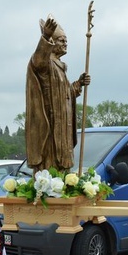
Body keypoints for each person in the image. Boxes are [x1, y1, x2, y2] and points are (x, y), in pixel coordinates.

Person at [26, 15, 91, 172]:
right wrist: (46, 36)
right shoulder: (46, 63)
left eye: (66, 40)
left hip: (64, 130)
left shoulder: (60, 67)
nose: (65, 43)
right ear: (52, 43)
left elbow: (64, 95)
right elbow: (38, 61)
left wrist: (78, 84)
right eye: (61, 40)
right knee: (50, 167)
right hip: (51, 128)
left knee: (63, 169)